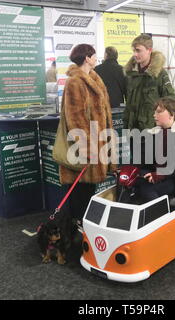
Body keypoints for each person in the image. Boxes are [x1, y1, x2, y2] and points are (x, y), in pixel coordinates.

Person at [58, 44, 116, 229]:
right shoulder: (75, 81)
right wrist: (86, 148)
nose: (96, 57)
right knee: (80, 192)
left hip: (98, 143)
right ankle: (76, 230)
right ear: (86, 58)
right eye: (94, 55)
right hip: (85, 148)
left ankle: (84, 228)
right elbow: (75, 118)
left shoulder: (93, 78)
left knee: (88, 190)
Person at [137, 97, 175, 207]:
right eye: (155, 111)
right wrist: (126, 170)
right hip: (156, 175)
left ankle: (160, 219)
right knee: (135, 184)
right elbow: (144, 159)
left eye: (159, 112)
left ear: (172, 114)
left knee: (148, 191)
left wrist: (159, 174)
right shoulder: (153, 133)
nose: (154, 115)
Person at [124, 34, 175, 131]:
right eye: (134, 51)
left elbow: (171, 101)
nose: (135, 54)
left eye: (138, 50)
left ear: (149, 50)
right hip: (132, 129)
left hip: (152, 130)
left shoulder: (159, 74)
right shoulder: (131, 74)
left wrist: (161, 124)